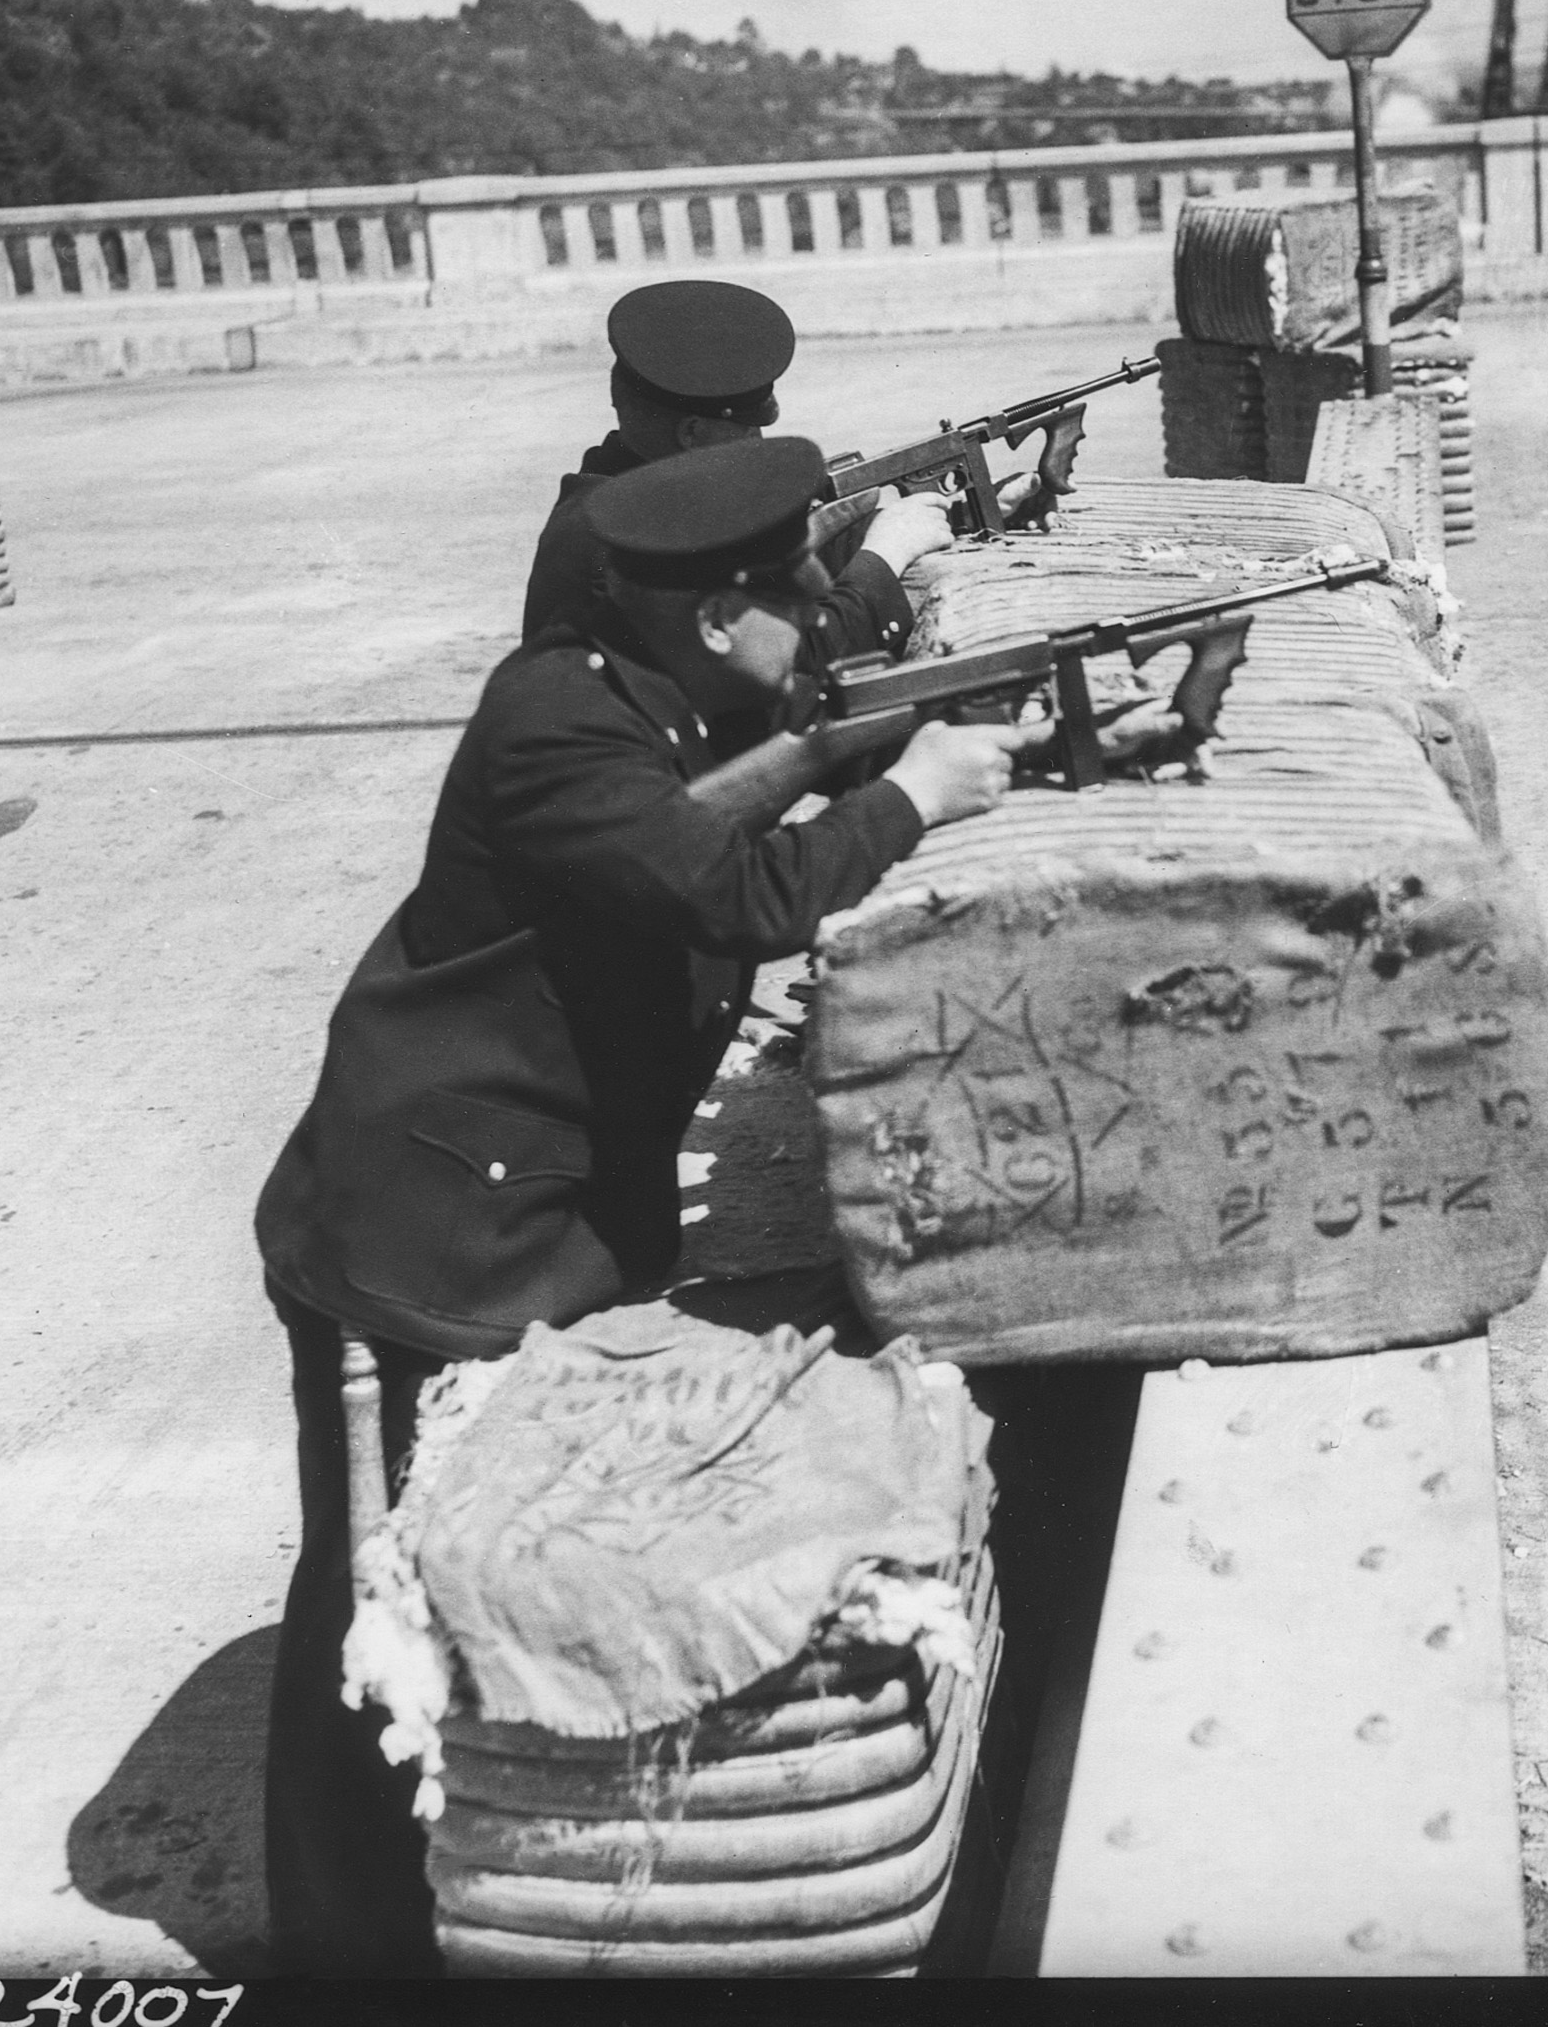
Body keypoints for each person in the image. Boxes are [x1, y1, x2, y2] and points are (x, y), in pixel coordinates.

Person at [255, 435, 1041, 1973]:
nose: (822, 608)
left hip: (533, 1201)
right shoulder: (554, 723)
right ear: (706, 620)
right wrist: (917, 792)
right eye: (794, 589)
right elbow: (725, 887)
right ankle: (339, 1938)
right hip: (436, 1225)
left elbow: (736, 797)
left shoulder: (657, 693)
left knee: (489, 1566)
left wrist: (908, 745)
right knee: (384, 1593)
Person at [521, 277, 956, 654]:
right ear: (690, 435)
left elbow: (779, 550)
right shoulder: (627, 544)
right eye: (748, 432)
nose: (757, 446)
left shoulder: (631, 490)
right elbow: (797, 655)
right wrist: (884, 556)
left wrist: (949, 515)